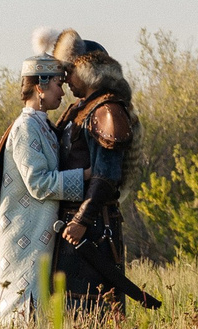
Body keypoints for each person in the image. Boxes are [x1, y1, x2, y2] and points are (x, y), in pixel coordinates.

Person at [49, 29, 163, 313]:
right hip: (72, 226)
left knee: (95, 308)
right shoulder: (78, 110)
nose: (66, 80)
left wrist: (82, 219)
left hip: (94, 228)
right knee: (68, 307)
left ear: (88, 72)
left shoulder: (107, 112)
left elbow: (105, 176)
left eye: (70, 72)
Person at [0, 30, 87, 326]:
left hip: (38, 240)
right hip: (24, 241)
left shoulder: (42, 126)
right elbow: (39, 184)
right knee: (21, 317)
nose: (62, 92)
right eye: (57, 84)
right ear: (40, 86)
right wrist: (87, 176)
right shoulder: (25, 128)